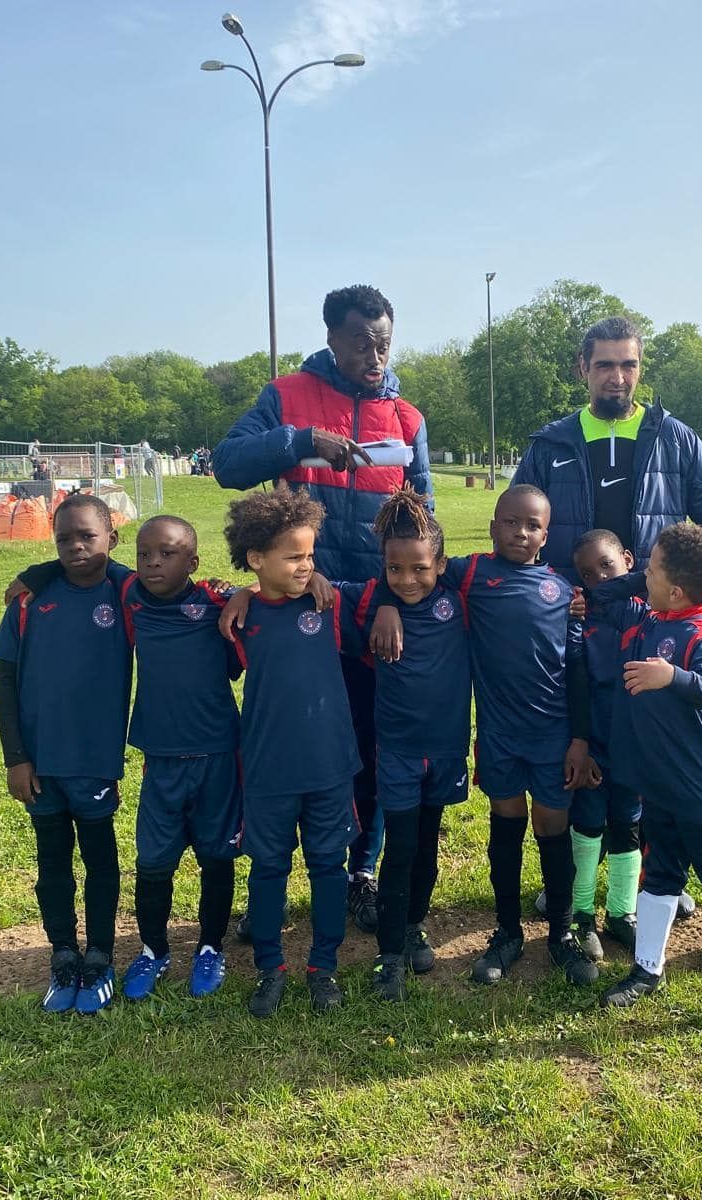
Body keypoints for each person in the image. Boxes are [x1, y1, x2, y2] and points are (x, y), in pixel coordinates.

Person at [213, 285, 433, 933]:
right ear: (332, 338)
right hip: (294, 617)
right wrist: (301, 439)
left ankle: (360, 870)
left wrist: (393, 600)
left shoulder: (408, 420)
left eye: (384, 342)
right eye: (361, 341)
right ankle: (272, 875)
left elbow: (422, 525)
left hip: (370, 617)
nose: (374, 354)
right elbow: (228, 463)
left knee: (369, 746)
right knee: (285, 746)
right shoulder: (287, 396)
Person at [587, 524, 702, 1037]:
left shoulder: (698, 635)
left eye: (654, 567)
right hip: (657, 786)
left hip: (700, 792)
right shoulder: (653, 616)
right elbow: (605, 592)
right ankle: (647, 970)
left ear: (677, 591)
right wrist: (641, 580)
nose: (644, 572)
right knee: (658, 876)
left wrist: (672, 677)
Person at [441, 485, 598, 988]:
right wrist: (382, 607)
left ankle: (560, 935)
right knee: (506, 827)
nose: (520, 532)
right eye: (511, 522)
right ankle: (507, 932)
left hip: (554, 738)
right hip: (500, 736)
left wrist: (579, 739)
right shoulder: (469, 574)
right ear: (493, 526)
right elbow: (411, 572)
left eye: (532, 525)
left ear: (545, 536)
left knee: (552, 830)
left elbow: (576, 667)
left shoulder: (561, 589)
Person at [510, 315, 702, 585]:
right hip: (572, 613)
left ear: (640, 367)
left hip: (651, 613)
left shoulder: (674, 438)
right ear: (584, 366)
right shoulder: (551, 444)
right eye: (604, 365)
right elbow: (515, 533)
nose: (617, 378)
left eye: (628, 365)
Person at [0, 495, 131, 1015]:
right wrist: (15, 757)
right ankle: (63, 953)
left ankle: (99, 955)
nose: (75, 546)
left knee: (99, 860)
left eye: (87, 537)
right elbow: (5, 682)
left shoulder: (127, 593)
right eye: (63, 539)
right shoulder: (31, 601)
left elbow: (176, 584)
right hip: (39, 762)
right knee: (52, 862)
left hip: (94, 760)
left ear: (111, 539)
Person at [223, 486, 361, 1018]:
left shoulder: (328, 601)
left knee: (329, 866)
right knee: (268, 868)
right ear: (257, 560)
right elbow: (197, 593)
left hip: (330, 766)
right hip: (267, 769)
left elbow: (390, 593)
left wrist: (319, 577)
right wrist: (235, 591)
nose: (306, 566)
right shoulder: (238, 615)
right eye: (294, 557)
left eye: (311, 555)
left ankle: (322, 966)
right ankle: (271, 967)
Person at [334, 488, 472, 1001]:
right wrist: (386, 603)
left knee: (427, 848)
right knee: (401, 848)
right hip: (396, 752)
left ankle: (414, 924)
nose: (408, 579)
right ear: (383, 567)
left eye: (420, 568)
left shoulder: (460, 599)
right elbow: (316, 585)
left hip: (446, 750)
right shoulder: (371, 598)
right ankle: (389, 955)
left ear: (439, 563)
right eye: (396, 570)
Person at [114, 516, 242, 1002]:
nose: (152, 563)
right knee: (153, 862)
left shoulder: (215, 603)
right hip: (162, 760)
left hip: (217, 756)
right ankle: (153, 950)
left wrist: (240, 595)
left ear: (193, 562)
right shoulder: (129, 598)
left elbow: (239, 655)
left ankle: (210, 947)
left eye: (166, 554)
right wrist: (36, 575)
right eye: (145, 553)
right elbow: (89, 563)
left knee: (217, 856)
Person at [562, 530, 646, 958]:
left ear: (628, 561)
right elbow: (575, 683)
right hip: (593, 746)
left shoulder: (647, 611)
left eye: (608, 567)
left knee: (628, 824)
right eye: (588, 574)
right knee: (588, 825)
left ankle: (621, 913)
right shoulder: (579, 619)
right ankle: (581, 915)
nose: (599, 579)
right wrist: (583, 744)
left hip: (634, 748)